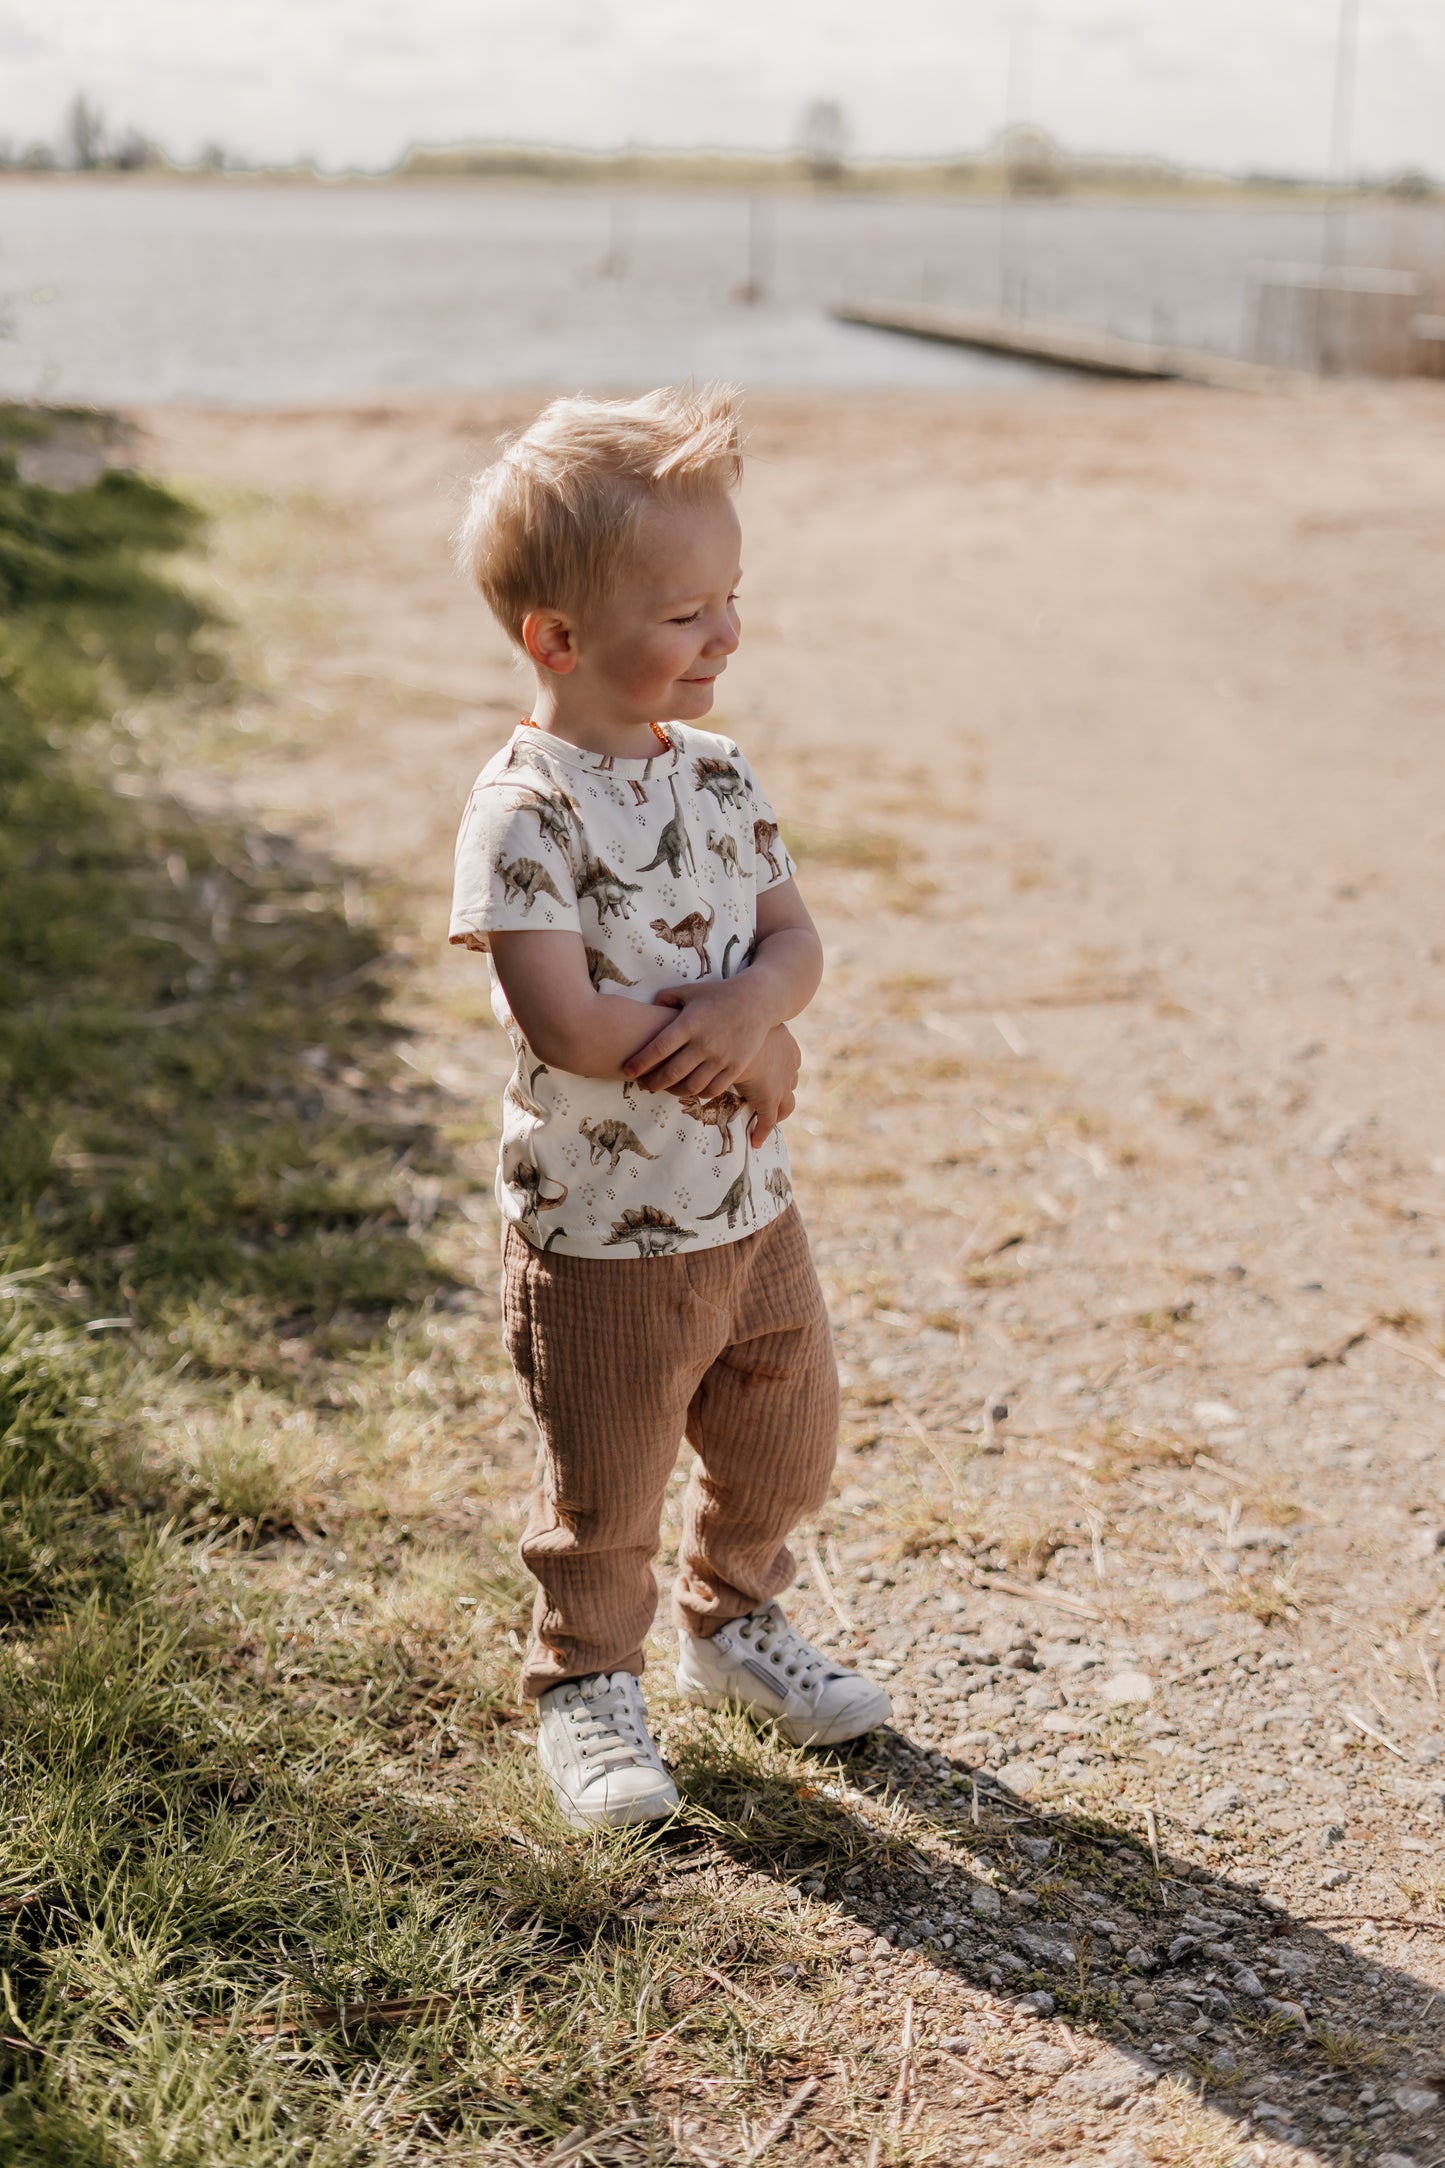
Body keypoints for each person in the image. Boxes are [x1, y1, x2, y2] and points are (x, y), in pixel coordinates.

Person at [449, 384, 890, 1828]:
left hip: (749, 1209)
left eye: (733, 599)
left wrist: (761, 1008)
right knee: (608, 1483)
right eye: (689, 610)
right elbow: (562, 1016)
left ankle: (732, 1620)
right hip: (601, 1224)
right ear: (558, 641)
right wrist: (741, 1049)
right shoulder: (526, 810)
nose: (728, 635)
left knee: (787, 1432)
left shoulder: (717, 772)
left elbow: (794, 942)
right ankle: (586, 1682)